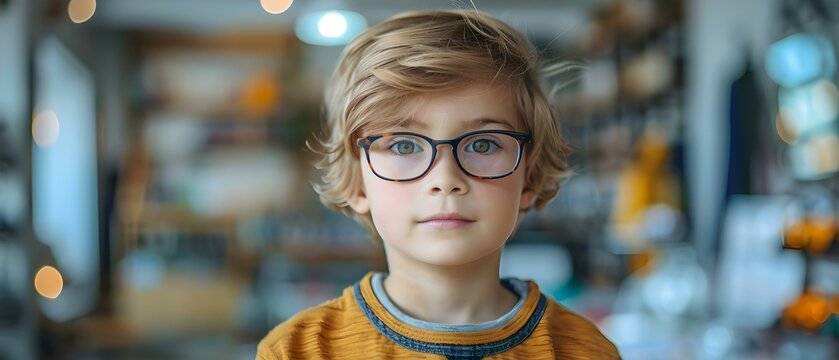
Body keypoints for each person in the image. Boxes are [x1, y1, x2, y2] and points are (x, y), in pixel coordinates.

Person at [257, 9, 620, 359]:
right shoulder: (297, 351)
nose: (445, 180)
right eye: (403, 146)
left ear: (531, 177)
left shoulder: (584, 352)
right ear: (358, 184)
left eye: (483, 144)